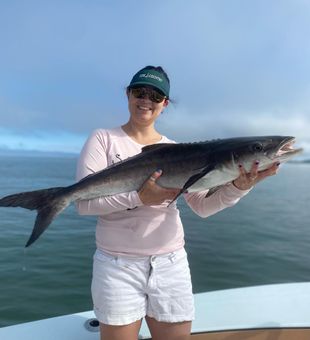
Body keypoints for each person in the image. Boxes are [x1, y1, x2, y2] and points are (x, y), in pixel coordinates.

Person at [76, 66, 279, 340]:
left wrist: (238, 187)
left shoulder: (177, 150)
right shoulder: (103, 139)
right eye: (140, 92)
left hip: (170, 264)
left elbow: (202, 207)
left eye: (155, 96)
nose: (146, 100)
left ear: (164, 103)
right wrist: (138, 198)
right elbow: (84, 205)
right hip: (116, 266)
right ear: (128, 94)